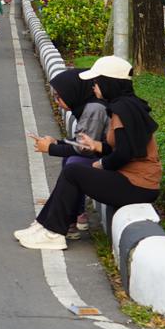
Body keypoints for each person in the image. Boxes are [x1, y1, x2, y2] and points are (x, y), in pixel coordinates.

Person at [16, 56, 161, 250]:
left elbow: (124, 154)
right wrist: (97, 146)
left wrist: (102, 164)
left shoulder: (121, 110)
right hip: (134, 180)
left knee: (73, 171)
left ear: (109, 83)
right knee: (74, 167)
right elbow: (126, 146)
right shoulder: (128, 105)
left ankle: (54, 233)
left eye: (96, 82)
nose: (93, 87)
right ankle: (44, 225)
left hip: (137, 184)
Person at [27, 69, 108, 238]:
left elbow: (84, 148)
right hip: (104, 155)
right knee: (70, 161)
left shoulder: (94, 109)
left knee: (73, 164)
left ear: (73, 92)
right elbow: (83, 141)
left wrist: (50, 148)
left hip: (108, 160)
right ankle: (73, 217)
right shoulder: (86, 106)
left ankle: (64, 221)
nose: (56, 101)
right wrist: (57, 142)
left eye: (59, 96)